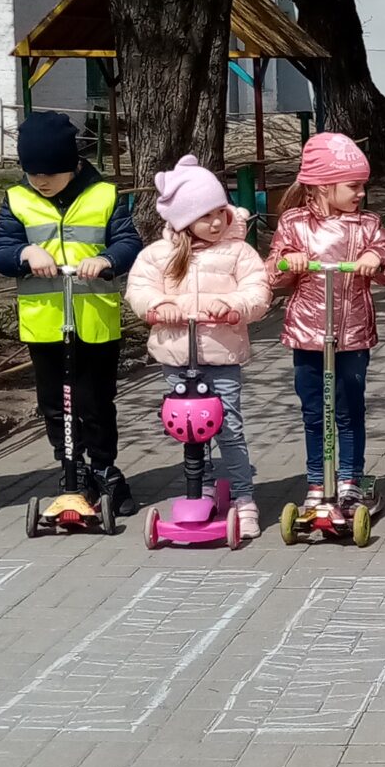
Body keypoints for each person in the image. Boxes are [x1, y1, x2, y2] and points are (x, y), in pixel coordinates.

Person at [0, 110, 142, 512]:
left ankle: (104, 467)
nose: (40, 182)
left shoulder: (104, 195)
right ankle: (71, 467)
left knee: (96, 400)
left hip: (94, 319)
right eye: (33, 174)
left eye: (50, 174)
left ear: (72, 165)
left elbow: (129, 242)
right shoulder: (17, 199)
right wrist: (25, 253)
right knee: (54, 402)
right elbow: (2, 251)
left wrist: (107, 259)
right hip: (45, 322)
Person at [124, 155, 273, 532]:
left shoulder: (237, 252)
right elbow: (139, 289)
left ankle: (243, 496)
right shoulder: (158, 255)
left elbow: (257, 290)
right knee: (189, 428)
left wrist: (233, 306)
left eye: (220, 212)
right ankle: (201, 486)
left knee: (228, 428)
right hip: (177, 357)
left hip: (221, 357)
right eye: (205, 216)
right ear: (184, 219)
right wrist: (158, 306)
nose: (216, 222)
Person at [270, 131, 385, 511]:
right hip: (308, 334)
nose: (361, 193)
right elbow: (273, 274)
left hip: (352, 334)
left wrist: (377, 258)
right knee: (314, 410)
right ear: (323, 186)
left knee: (348, 408)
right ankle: (316, 480)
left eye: (362, 185)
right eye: (353, 186)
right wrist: (288, 260)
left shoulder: (367, 225)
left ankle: (349, 479)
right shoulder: (294, 224)